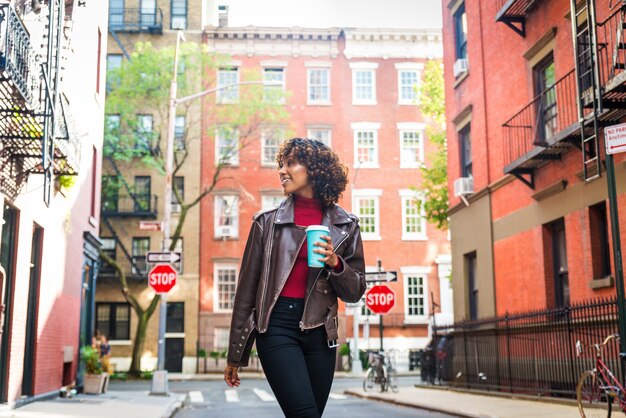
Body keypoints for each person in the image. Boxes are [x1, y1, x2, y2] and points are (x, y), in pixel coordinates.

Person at [224, 138, 366, 417]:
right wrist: (235, 355)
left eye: (291, 163)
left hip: (321, 332)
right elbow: (246, 293)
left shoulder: (347, 225)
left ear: (315, 169)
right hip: (277, 328)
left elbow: (355, 291)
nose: (282, 170)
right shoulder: (266, 223)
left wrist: (336, 263)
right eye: (281, 164)